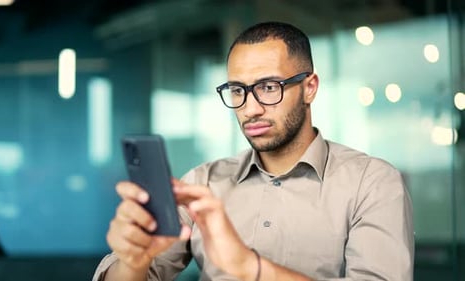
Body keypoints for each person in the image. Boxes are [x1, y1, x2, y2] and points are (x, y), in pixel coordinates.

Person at [93, 21, 414, 281]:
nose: (250, 108)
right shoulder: (204, 183)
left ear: (309, 87)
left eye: (269, 87)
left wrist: (251, 268)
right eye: (237, 90)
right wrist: (134, 260)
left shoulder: (371, 183)